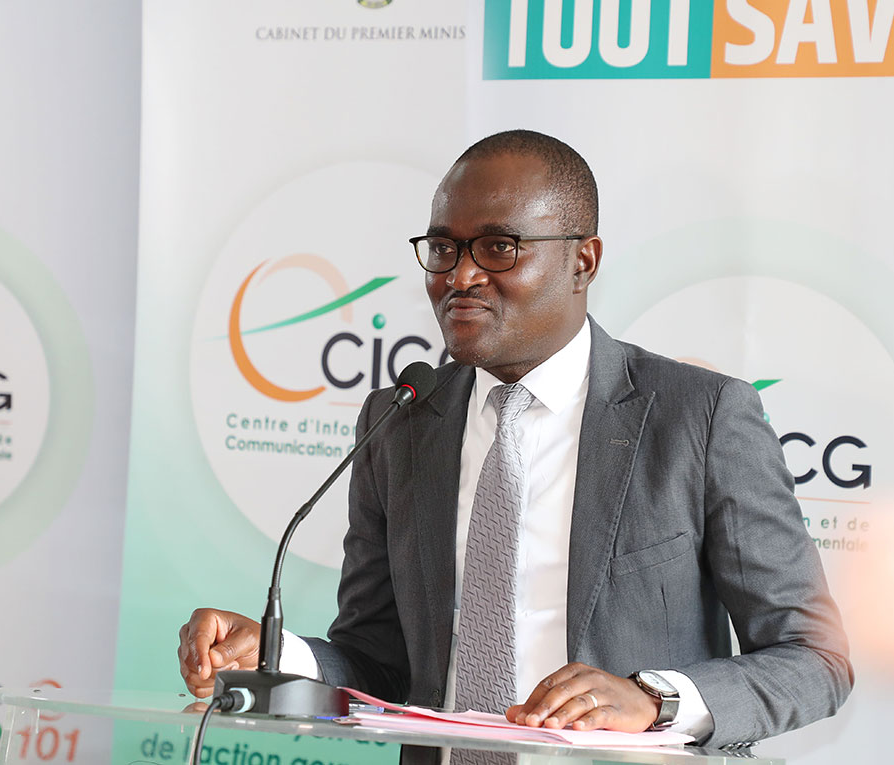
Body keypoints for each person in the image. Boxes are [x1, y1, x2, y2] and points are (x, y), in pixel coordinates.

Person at [179, 130, 852, 755]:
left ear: (582, 261)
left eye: (498, 248)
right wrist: (277, 657)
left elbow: (815, 658)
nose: (459, 277)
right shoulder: (400, 420)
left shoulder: (697, 417)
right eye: (443, 248)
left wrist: (654, 700)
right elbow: (380, 661)